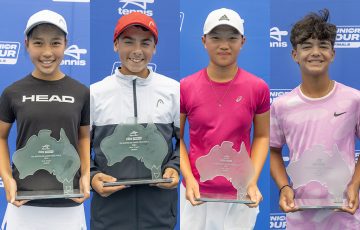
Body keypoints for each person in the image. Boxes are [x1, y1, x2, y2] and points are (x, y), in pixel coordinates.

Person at [180, 8, 270, 230]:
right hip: (196, 194)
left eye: (232, 38)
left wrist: (251, 180)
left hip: (240, 193)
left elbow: (262, 136)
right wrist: (190, 179)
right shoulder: (185, 87)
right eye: (216, 37)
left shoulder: (258, 87)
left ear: (243, 41)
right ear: (204, 40)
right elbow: (177, 138)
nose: (224, 45)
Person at [270, 9, 360, 229]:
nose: (315, 52)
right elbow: (273, 151)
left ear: (333, 53)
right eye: (307, 46)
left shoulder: (354, 100)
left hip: (345, 217)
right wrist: (284, 188)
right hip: (300, 219)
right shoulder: (281, 105)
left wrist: (355, 185)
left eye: (323, 45)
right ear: (294, 55)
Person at [0, 9, 90, 230]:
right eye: (39, 43)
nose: (47, 52)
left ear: (66, 45)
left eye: (55, 43)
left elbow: (84, 138)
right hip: (24, 203)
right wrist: (7, 179)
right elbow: (1, 137)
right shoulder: (12, 92)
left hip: (69, 203)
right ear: (26, 44)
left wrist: (86, 174)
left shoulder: (81, 92)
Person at [90, 12, 180, 230]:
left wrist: (175, 167)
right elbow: (80, 146)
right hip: (109, 215)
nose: (137, 51)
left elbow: (186, 141)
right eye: (128, 42)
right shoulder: (95, 93)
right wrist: (92, 176)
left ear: (155, 47)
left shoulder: (173, 91)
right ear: (115, 45)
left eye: (145, 43)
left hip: (159, 212)